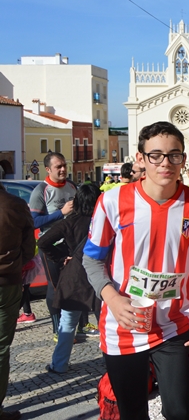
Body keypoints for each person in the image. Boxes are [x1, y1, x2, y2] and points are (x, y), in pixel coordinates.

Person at [83, 121, 189, 420]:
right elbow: (91, 260)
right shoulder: (113, 201)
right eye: (155, 155)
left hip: (174, 326)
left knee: (180, 412)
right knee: (133, 414)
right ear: (140, 159)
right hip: (124, 326)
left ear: (184, 159)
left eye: (174, 155)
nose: (166, 163)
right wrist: (113, 299)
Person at [37, 184, 102, 374]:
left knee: (67, 323)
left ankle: (59, 364)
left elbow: (43, 241)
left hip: (75, 276)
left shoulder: (69, 222)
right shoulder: (104, 221)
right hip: (100, 274)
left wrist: (60, 256)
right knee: (105, 323)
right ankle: (113, 364)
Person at [28, 152, 76, 338]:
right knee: (54, 286)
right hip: (51, 245)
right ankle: (58, 329)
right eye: (58, 167)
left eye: (64, 165)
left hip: (72, 244)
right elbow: (34, 222)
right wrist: (61, 213)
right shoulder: (41, 190)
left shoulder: (72, 186)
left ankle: (77, 326)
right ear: (48, 169)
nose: (63, 169)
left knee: (73, 283)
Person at [0, 182, 35, 420]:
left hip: (9, 280)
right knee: (1, 347)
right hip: (7, 282)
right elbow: (29, 244)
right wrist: (18, 265)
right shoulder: (15, 204)